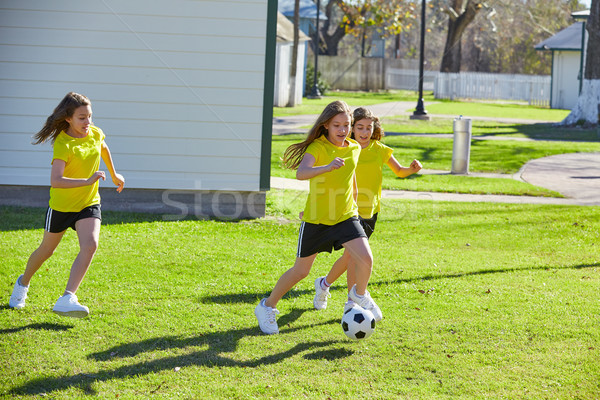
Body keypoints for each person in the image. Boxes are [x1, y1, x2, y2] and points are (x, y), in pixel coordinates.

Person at [254, 101, 381, 334]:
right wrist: (327, 167)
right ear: (326, 125)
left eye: (346, 125)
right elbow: (301, 173)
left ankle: (359, 294)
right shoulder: (318, 148)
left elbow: (350, 177)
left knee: (365, 258)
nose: (342, 130)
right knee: (301, 271)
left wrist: (355, 202)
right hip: (317, 220)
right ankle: (267, 306)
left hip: (345, 216)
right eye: (337, 125)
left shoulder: (353, 148)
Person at [9, 92, 125, 318]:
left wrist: (114, 173)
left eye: (89, 116)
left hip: (88, 203)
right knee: (46, 251)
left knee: (90, 244)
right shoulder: (63, 143)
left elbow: (103, 147)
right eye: (82, 118)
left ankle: (67, 297)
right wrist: (88, 180)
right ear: (69, 118)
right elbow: (56, 181)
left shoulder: (95, 133)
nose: (88, 122)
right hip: (62, 206)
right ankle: (22, 284)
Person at [313, 107, 422, 313]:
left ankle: (324, 285)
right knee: (353, 257)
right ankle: (350, 303)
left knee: (352, 257)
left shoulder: (379, 149)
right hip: (349, 210)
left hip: (371, 212)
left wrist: (412, 169)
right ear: (352, 128)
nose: (364, 132)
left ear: (374, 128)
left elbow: (399, 171)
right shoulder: (345, 149)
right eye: (360, 127)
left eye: (368, 128)